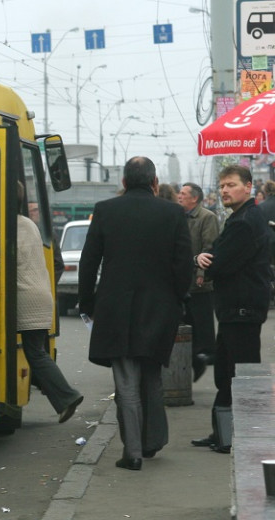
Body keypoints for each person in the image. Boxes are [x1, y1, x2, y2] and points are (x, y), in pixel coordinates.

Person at [78, 156, 192, 471]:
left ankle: (133, 451)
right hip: (160, 308)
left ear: (124, 183)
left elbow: (89, 262)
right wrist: (180, 298)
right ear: (155, 183)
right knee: (152, 375)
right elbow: (183, 263)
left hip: (116, 308)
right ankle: (152, 441)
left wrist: (87, 302)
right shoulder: (173, 213)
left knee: (126, 380)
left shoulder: (105, 210)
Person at [192, 165, 273, 454]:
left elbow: (221, 262)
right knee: (226, 374)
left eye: (231, 185)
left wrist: (203, 260)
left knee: (242, 375)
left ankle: (247, 436)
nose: (224, 190)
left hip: (242, 309)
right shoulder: (241, 217)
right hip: (235, 310)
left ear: (248, 187)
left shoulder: (245, 221)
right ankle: (223, 433)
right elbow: (218, 251)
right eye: (222, 185)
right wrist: (207, 256)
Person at [16, 183, 83, 422]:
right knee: (36, 351)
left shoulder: (10, 228)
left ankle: (67, 396)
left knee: (35, 352)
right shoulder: (29, 225)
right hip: (41, 295)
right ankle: (62, 397)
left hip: (27, 299)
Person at [177, 182, 219, 379]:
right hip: (182, 281)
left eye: (184, 194)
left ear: (194, 198)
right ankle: (194, 357)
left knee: (202, 323)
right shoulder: (179, 216)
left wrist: (201, 273)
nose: (179, 196)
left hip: (199, 282)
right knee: (185, 323)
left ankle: (206, 355)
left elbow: (209, 248)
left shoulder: (206, 217)